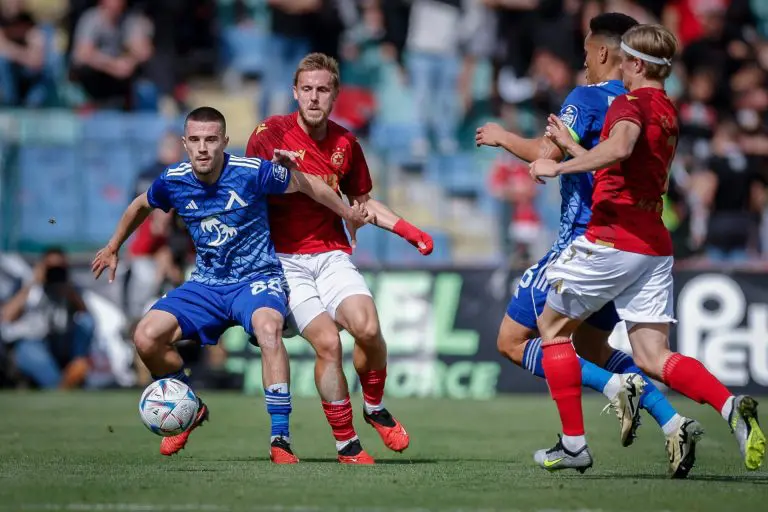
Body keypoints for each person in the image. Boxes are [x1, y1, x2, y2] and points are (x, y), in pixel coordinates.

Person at [529, 24, 766, 475]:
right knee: (653, 356)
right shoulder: (667, 109)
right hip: (653, 245)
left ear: (637, 64)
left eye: (624, 60)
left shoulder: (629, 104)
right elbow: (626, 166)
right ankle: (729, 405)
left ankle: (574, 445)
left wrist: (559, 167)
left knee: (551, 329)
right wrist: (572, 145)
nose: (619, 67)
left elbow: (620, 148)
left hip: (613, 237)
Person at [477, 13, 691, 478]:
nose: (585, 61)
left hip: (583, 245)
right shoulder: (642, 103)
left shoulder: (589, 97)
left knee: (512, 341)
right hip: (629, 246)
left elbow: (547, 153)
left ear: (602, 52)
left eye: (587, 52)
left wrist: (502, 137)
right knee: (593, 345)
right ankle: (673, 422)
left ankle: (611, 395)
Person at [92, 106, 369, 464]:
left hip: (257, 279)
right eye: (195, 140)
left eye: (210, 140)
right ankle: (190, 406)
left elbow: (306, 183)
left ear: (224, 141)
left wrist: (346, 213)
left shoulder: (251, 171)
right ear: (185, 144)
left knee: (269, 330)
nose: (203, 148)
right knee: (145, 337)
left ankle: (280, 439)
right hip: (206, 285)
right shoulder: (174, 179)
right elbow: (140, 205)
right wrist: (113, 246)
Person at [246, 52, 433, 464]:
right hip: (284, 260)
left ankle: (374, 407)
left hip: (331, 255)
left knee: (368, 328)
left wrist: (410, 231)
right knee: (328, 343)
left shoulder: (347, 143)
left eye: (322, 90)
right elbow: (248, 189)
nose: (314, 97)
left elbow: (362, 203)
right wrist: (275, 173)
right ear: (295, 92)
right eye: (307, 89)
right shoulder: (269, 134)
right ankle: (347, 444)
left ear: (335, 96)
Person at [1, 247, 94, 389]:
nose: (54, 272)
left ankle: (77, 364)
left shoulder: (70, 288)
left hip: (59, 341)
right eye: (51, 268)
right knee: (35, 355)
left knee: (86, 322)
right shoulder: (26, 285)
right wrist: (33, 282)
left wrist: (68, 290)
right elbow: (7, 317)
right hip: (31, 342)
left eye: (59, 268)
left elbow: (86, 316)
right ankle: (60, 384)